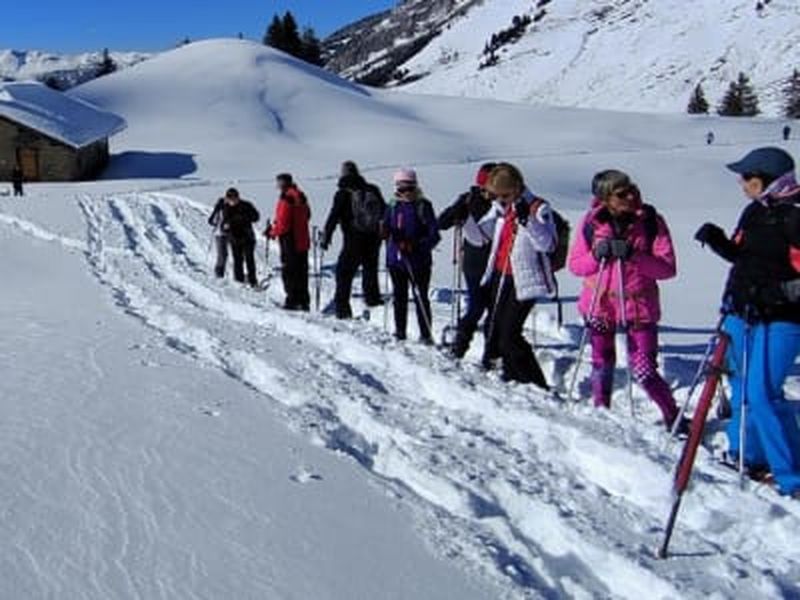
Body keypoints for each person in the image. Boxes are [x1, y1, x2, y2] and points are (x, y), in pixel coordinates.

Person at [694, 147, 800, 496]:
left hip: (780, 320)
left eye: (747, 178)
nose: (741, 183)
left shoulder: (795, 216)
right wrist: (717, 240)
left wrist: (778, 292)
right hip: (741, 312)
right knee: (743, 389)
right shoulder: (755, 211)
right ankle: (749, 455)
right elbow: (742, 254)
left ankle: (791, 476)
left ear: (767, 181)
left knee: (762, 394)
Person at [568, 170, 682, 429]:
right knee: (601, 362)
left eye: (632, 189)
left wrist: (634, 256)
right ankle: (601, 409)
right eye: (621, 194)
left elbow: (667, 269)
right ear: (606, 198)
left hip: (639, 306)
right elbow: (576, 265)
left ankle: (673, 416)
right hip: (600, 304)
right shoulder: (592, 223)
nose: (631, 196)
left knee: (644, 369)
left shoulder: (651, 222)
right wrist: (597, 256)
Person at [480, 163, 556, 388]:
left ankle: (535, 382)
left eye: (504, 196)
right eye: (497, 196)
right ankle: (513, 376)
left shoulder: (538, 208)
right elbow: (485, 235)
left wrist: (528, 221)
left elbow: (547, 244)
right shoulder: (503, 208)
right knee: (497, 329)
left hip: (524, 278)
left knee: (510, 335)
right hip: (502, 273)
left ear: (516, 188)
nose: (500, 200)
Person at [437, 162, 499, 357]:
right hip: (475, 264)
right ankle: (459, 345)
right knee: (477, 307)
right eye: (488, 187)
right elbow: (442, 222)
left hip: (499, 263)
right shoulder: (468, 199)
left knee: (495, 312)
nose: (491, 192)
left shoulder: (504, 202)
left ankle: (491, 355)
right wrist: (456, 213)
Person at [321, 161, 386, 318]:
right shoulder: (373, 189)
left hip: (353, 239)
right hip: (373, 238)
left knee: (344, 273)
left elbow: (334, 216)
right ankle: (373, 302)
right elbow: (384, 212)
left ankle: (342, 309)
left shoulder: (343, 193)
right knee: (370, 270)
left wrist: (326, 237)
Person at [383, 168, 440, 342]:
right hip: (396, 260)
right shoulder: (392, 206)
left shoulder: (423, 206)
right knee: (399, 297)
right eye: (402, 188)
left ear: (415, 186)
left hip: (419, 261)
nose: (406, 192)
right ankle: (400, 332)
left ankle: (426, 334)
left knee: (421, 297)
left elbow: (434, 235)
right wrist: (384, 231)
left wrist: (416, 246)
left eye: (409, 188)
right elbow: (386, 227)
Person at [267, 173, 311, 310]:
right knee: (302, 272)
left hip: (290, 240)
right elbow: (308, 215)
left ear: (282, 183)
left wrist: (272, 232)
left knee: (289, 271)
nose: (277, 185)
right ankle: (304, 301)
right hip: (302, 239)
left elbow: (283, 224)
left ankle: (292, 301)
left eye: (279, 183)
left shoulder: (286, 199)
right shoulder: (301, 196)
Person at [216, 188, 259, 286]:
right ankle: (239, 280)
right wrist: (226, 227)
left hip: (248, 237)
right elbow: (223, 225)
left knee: (249, 259)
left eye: (234, 198)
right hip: (235, 239)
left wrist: (243, 217)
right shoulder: (226, 208)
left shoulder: (246, 205)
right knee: (237, 260)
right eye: (230, 198)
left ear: (238, 197)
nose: (232, 200)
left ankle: (253, 281)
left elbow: (256, 217)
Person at [208, 194, 231, 278]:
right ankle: (218, 273)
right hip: (219, 234)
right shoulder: (219, 208)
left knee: (225, 254)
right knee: (222, 254)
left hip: (228, 233)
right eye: (228, 198)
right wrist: (217, 223)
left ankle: (221, 272)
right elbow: (211, 220)